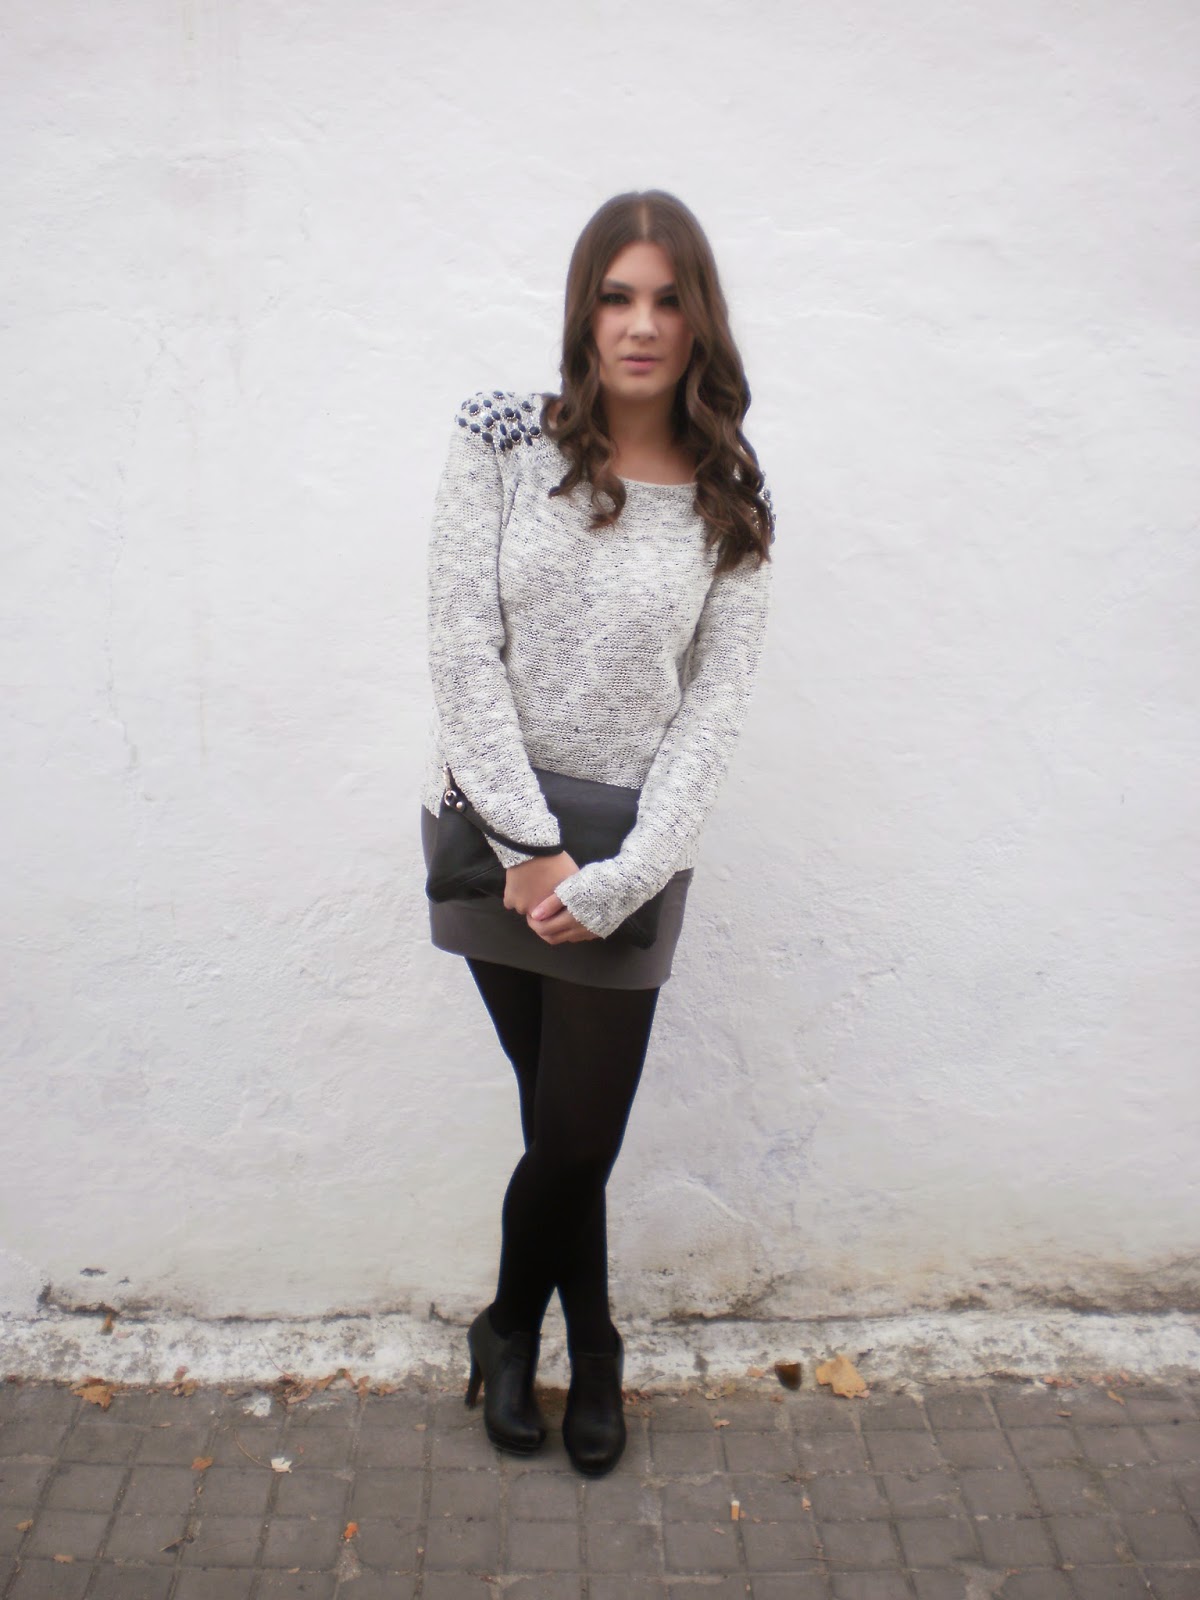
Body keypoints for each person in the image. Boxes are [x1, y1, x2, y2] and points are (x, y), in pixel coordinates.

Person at [419, 190, 774, 1476]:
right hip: (495, 836)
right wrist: (530, 849)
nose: (641, 324)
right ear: (585, 308)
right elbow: (460, 642)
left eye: (669, 300)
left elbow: (714, 709)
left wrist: (625, 876)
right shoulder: (502, 438)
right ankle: (594, 1343)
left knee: (573, 1135)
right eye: (618, 296)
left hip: (631, 857)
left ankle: (520, 1325)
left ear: (699, 320)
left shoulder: (731, 496)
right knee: (556, 1123)